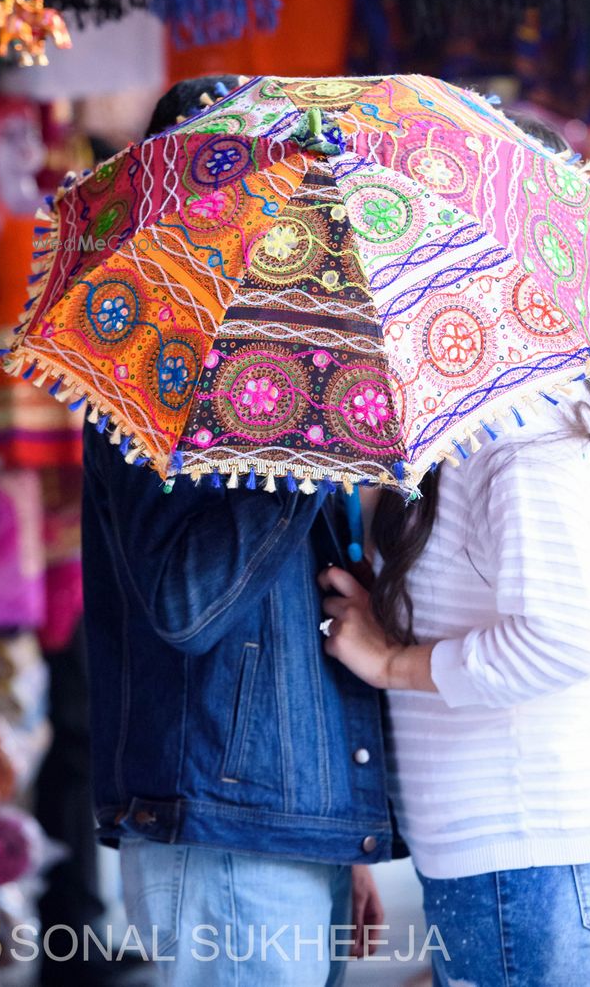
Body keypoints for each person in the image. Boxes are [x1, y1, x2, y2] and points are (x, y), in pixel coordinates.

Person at [317, 123, 590, 987]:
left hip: (531, 860)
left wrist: (391, 661)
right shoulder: (487, 421)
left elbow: (557, 641)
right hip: (514, 863)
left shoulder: (529, 429)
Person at [81, 76, 388, 986]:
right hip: (216, 821)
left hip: (288, 826)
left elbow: (310, 613)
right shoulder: (141, 361)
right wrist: (301, 442)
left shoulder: (277, 366)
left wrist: (346, 828)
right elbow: (184, 606)